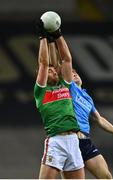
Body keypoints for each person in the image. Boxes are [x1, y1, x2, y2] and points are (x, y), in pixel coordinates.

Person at [48, 40, 113, 179]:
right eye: (71, 73)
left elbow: (99, 119)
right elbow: (58, 64)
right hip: (70, 140)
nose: (74, 74)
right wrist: (52, 42)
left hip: (85, 141)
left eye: (76, 73)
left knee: (107, 177)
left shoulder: (87, 98)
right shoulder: (69, 88)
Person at [34, 19, 85, 179]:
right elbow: (43, 63)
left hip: (74, 140)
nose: (54, 71)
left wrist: (58, 35)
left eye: (54, 70)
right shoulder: (41, 91)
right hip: (56, 141)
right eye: (50, 71)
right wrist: (43, 37)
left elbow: (67, 59)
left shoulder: (66, 84)